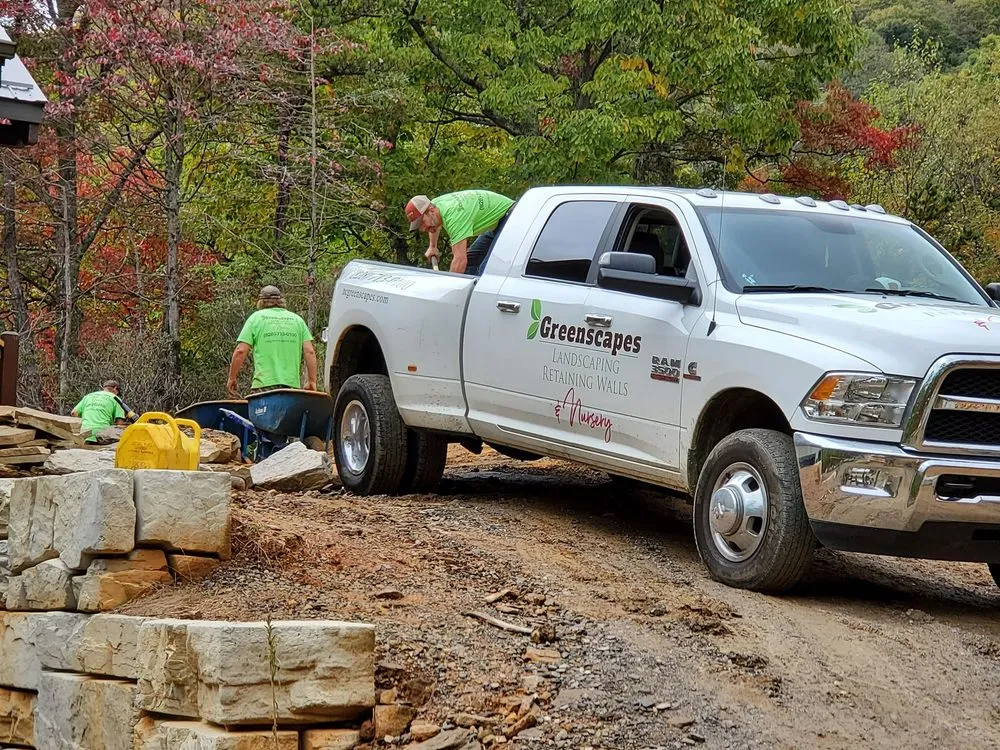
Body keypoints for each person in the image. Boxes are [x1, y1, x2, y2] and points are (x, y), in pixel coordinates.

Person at [227, 285, 317, 397]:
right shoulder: (297, 320)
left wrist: (232, 378)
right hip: (291, 387)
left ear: (261, 302)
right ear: (281, 301)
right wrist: (312, 381)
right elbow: (310, 351)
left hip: (264, 387)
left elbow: (241, 351)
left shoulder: (255, 318)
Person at [405, 189, 515, 275]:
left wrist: (448, 293)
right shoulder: (435, 205)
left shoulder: (454, 217)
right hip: (496, 223)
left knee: (486, 271)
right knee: (472, 263)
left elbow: (460, 261)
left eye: (422, 223)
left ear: (431, 211)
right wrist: (432, 246)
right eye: (420, 226)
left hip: (512, 220)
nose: (423, 229)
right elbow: (434, 226)